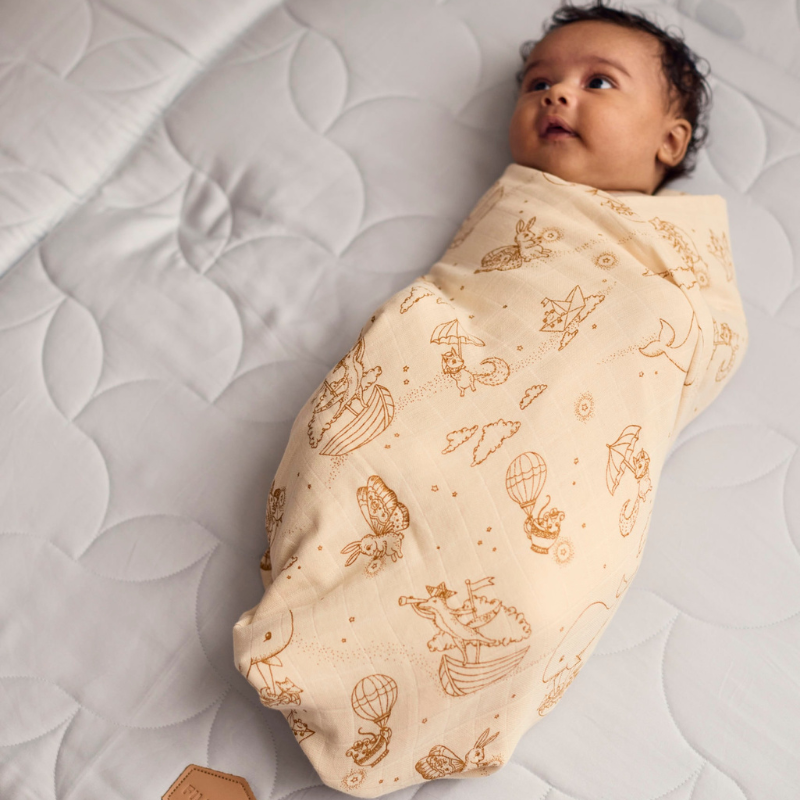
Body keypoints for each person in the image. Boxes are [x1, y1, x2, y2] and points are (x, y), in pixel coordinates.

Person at [233, 3, 747, 797]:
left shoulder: (682, 270)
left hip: (568, 467)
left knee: (535, 596)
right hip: (446, 393)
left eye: (598, 82)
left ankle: (422, 677)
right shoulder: (520, 208)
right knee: (363, 443)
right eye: (539, 83)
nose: (557, 94)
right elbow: (469, 301)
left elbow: (690, 344)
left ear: (668, 143)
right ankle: (321, 610)